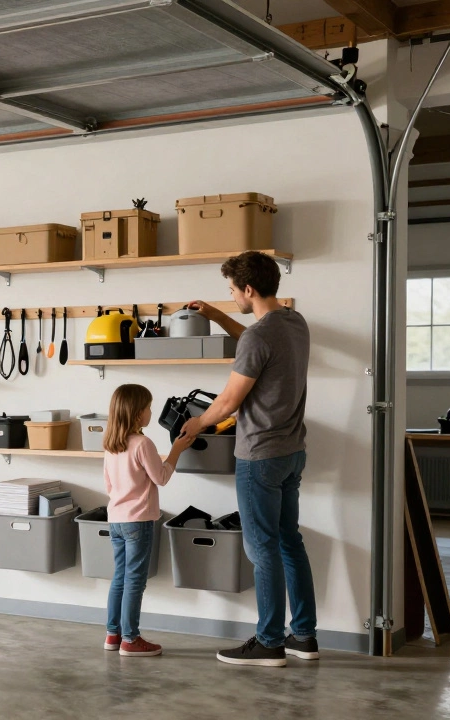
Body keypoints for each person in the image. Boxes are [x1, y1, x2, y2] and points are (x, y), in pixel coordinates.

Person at [181, 250, 318, 668]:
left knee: (263, 550)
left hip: (259, 456)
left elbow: (228, 402)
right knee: (289, 542)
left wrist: (197, 424)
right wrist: (218, 316)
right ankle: (304, 637)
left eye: (232, 291)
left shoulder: (260, 337)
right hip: (292, 452)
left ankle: (269, 641)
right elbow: (255, 340)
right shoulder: (294, 322)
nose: (231, 296)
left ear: (249, 289)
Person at [102, 383, 196, 657]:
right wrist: (176, 449)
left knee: (119, 577)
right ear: (136, 413)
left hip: (116, 519)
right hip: (139, 521)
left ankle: (113, 633)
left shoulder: (110, 445)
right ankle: (130, 639)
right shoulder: (143, 443)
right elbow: (162, 478)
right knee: (134, 581)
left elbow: (109, 485)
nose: (150, 412)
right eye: (148, 408)